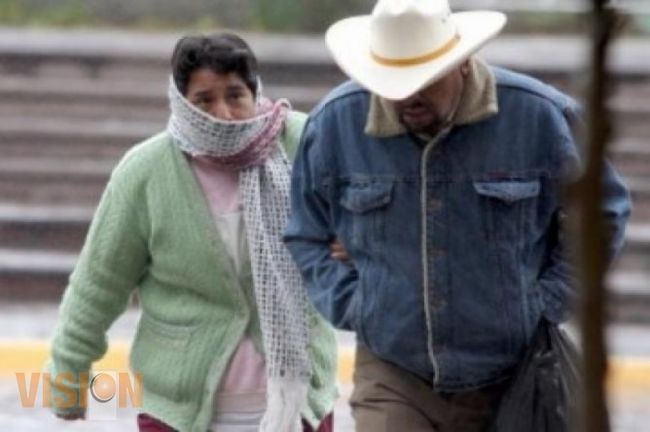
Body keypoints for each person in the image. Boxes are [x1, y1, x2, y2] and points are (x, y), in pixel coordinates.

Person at [284, 1, 631, 431]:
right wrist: (357, 306)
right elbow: (305, 234)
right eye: (390, 82)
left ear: (463, 63)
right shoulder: (334, 124)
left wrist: (548, 301)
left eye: (426, 81)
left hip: (516, 375)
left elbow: (603, 211)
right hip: (395, 372)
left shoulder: (540, 115)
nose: (407, 95)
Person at [47, 32, 338, 432]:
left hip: (295, 407)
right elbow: (97, 286)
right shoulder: (145, 173)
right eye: (204, 100)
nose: (223, 113)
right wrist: (68, 379)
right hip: (177, 413)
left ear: (255, 93)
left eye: (235, 95)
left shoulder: (303, 144)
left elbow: (358, 225)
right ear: (182, 103)